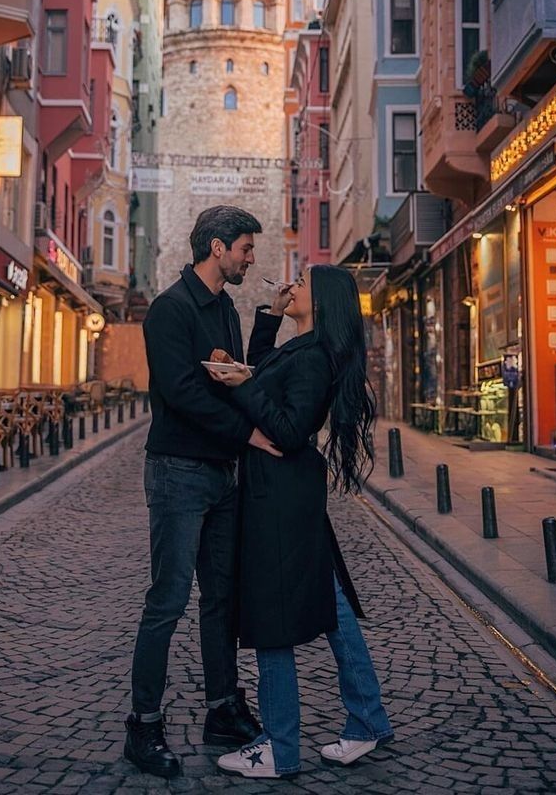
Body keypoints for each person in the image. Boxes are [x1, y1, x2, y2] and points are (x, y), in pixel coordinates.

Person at [210, 265, 393, 779]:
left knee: (272, 618)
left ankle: (279, 748)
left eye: (302, 284)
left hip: (281, 500)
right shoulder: (301, 348)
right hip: (287, 495)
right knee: (332, 608)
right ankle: (368, 720)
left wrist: (244, 385)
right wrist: (267, 320)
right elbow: (265, 370)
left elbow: (288, 428)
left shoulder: (315, 359)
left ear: (324, 301)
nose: (291, 287)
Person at [124, 205, 282, 780]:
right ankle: (142, 725)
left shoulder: (226, 311)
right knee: (166, 601)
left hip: (221, 473)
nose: (250, 258)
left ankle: (221, 708)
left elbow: (243, 375)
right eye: (244, 248)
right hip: (177, 473)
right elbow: (184, 392)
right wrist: (248, 433)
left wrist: (268, 319)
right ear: (217, 248)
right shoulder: (169, 310)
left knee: (221, 597)